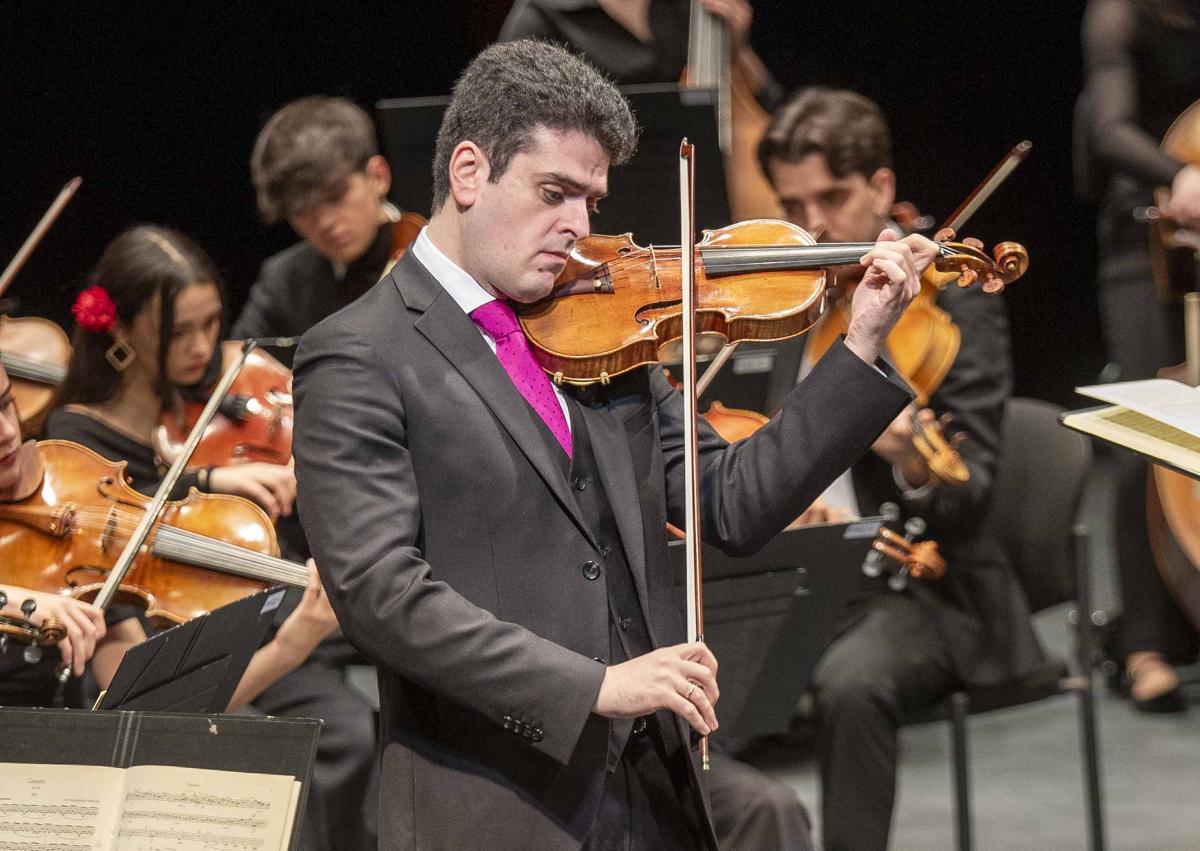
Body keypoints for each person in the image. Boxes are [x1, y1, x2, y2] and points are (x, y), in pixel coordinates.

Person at [292, 40, 936, 851]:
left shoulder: (600, 334)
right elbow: (381, 594)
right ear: (467, 173)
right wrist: (593, 686)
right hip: (496, 807)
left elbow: (733, 500)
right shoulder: (357, 353)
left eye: (590, 200)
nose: (578, 228)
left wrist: (862, 346)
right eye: (554, 192)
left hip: (651, 793)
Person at [758, 87, 1047, 850]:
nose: (814, 224)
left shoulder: (957, 303)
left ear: (882, 189)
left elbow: (972, 488)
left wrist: (916, 462)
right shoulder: (793, 297)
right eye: (795, 203)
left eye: (834, 197)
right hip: (800, 570)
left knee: (852, 683)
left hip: (924, 586)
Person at [42, 224, 377, 851]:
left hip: (218, 625)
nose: (203, 349)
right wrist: (215, 477)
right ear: (120, 330)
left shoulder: (173, 415)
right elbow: (133, 506)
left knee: (354, 729)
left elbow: (160, 479)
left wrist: (211, 471)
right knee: (268, 759)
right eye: (179, 333)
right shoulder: (76, 442)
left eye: (211, 324)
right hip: (158, 647)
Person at [1079, 0, 1200, 711]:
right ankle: (1145, 643)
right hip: (1144, 230)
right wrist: (1179, 174)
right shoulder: (1118, 15)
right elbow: (1110, 131)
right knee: (1147, 424)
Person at [232, 96, 403, 353]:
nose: (325, 223)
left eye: (336, 197)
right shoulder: (283, 280)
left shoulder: (441, 252)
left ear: (378, 176)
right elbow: (240, 370)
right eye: (302, 211)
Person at [500, 0, 783, 110]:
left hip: (695, 176)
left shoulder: (692, 7)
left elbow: (773, 107)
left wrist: (737, 51)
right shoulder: (542, 17)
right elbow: (508, 122)